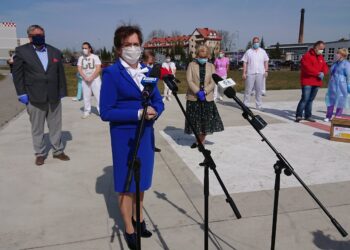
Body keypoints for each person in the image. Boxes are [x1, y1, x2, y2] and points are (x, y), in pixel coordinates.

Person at [99, 25, 164, 249]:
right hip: (124, 137)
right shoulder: (111, 74)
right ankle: (128, 227)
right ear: (118, 49)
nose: (133, 48)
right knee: (126, 184)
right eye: (128, 45)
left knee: (141, 181)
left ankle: (139, 217)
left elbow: (158, 101)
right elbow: (106, 111)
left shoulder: (147, 72)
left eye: (136, 44)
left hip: (145, 135)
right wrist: (137, 114)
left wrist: (156, 112)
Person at [12, 24, 70, 166]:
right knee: (37, 127)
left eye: (42, 35)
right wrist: (21, 93)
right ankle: (40, 153)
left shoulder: (54, 51)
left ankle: (58, 151)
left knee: (55, 125)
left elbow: (60, 73)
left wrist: (63, 91)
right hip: (34, 96)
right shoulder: (21, 52)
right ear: (30, 37)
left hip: (53, 95)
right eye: (37, 35)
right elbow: (18, 75)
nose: (40, 37)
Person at [185, 45, 224, 149]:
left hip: (207, 97)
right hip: (194, 97)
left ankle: (201, 143)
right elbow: (189, 80)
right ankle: (198, 140)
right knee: (196, 122)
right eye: (201, 52)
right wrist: (198, 92)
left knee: (205, 121)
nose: (203, 54)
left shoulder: (211, 66)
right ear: (197, 53)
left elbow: (213, 81)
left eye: (205, 53)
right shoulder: (191, 65)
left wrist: (205, 91)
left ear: (208, 54)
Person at [295, 41, 329, 122]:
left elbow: (325, 66)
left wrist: (323, 72)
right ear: (316, 47)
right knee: (305, 99)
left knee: (310, 100)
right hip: (307, 81)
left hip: (316, 82)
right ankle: (298, 115)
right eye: (321, 49)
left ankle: (308, 116)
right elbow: (307, 68)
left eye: (323, 49)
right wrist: (317, 73)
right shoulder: (307, 56)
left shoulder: (321, 57)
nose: (322, 50)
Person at [141, 51, 162, 153]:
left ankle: (151, 145)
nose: (153, 59)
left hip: (151, 100)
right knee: (145, 127)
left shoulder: (151, 69)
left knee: (150, 127)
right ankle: (147, 146)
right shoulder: (143, 69)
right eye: (151, 57)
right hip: (144, 101)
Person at [241, 36, 269, 110]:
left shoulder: (263, 51)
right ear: (252, 43)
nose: (256, 43)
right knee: (248, 89)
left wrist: (266, 71)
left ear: (259, 43)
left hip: (260, 73)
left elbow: (266, 61)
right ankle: (245, 104)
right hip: (250, 73)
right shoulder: (249, 51)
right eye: (254, 42)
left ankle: (258, 105)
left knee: (259, 90)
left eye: (257, 42)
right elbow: (245, 62)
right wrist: (244, 73)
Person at [324, 48, 350, 122]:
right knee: (330, 99)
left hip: (342, 84)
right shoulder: (335, 63)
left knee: (340, 100)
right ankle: (328, 116)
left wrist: (348, 85)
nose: (336, 54)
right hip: (333, 84)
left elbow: (348, 75)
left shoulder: (347, 64)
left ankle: (338, 116)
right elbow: (331, 73)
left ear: (342, 55)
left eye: (338, 53)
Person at [77, 42, 102, 119]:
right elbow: (79, 68)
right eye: (83, 48)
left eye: (86, 48)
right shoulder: (81, 58)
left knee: (98, 96)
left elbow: (98, 68)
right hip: (85, 80)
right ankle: (87, 111)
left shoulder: (95, 57)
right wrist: (85, 77)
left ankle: (101, 111)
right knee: (86, 96)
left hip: (95, 79)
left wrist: (92, 77)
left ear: (90, 49)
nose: (84, 50)